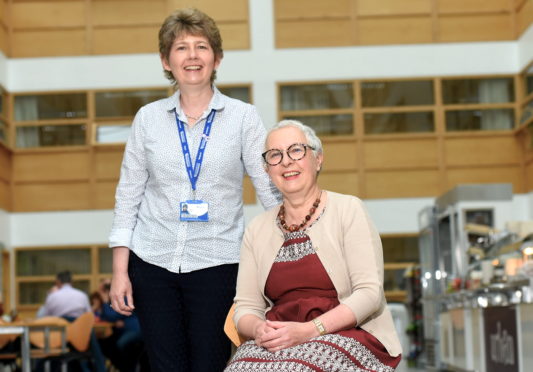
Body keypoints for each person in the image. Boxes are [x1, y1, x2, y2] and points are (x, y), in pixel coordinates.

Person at [108, 7, 280, 372]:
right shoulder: (147, 119)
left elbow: (269, 189)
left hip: (218, 261)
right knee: (165, 364)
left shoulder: (243, 117)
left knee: (210, 362)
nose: (192, 56)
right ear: (166, 61)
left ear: (216, 58)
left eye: (201, 47)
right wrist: (121, 271)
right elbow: (128, 197)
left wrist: (294, 241)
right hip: (153, 261)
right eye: (181, 48)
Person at [225, 120, 403, 372]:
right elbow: (245, 307)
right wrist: (259, 329)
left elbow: (369, 293)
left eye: (296, 150)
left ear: (318, 159)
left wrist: (309, 330)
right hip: (279, 338)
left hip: (348, 332)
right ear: (267, 170)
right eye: (275, 155)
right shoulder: (257, 228)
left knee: (300, 368)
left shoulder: (348, 210)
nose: (286, 161)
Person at [37, 271, 106, 372]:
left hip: (59, 339)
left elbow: (42, 318)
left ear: (58, 282)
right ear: (71, 282)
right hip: (79, 338)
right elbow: (89, 315)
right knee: (92, 342)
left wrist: (49, 294)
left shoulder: (52, 297)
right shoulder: (81, 295)